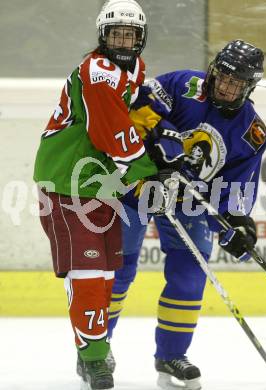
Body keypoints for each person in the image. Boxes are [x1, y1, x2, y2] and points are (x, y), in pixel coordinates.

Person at [106, 40, 266, 390]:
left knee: (189, 275)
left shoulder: (251, 133)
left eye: (236, 83)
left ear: (249, 87)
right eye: (223, 77)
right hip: (139, 186)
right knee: (119, 270)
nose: (225, 87)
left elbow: (234, 189)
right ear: (213, 70)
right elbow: (137, 104)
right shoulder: (183, 85)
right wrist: (157, 136)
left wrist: (235, 224)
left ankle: (171, 355)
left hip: (189, 201)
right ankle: (95, 347)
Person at [33, 1, 164, 389]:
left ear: (140, 38)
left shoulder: (134, 69)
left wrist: (159, 143)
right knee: (89, 274)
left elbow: (137, 114)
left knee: (107, 274)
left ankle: (89, 350)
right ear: (102, 36)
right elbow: (110, 134)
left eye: (130, 34)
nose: (123, 40)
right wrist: (149, 169)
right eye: (115, 33)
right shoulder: (97, 72)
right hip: (67, 182)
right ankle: (93, 359)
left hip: (100, 184)